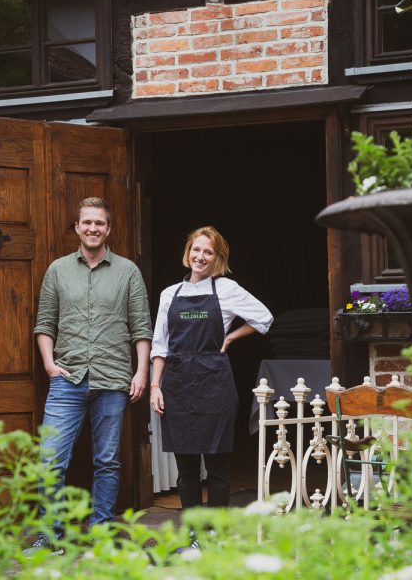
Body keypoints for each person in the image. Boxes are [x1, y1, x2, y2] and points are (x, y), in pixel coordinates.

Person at [28, 197, 152, 554]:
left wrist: (141, 372)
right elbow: (44, 323)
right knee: (51, 459)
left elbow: (141, 327)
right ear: (78, 227)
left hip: (113, 379)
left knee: (107, 461)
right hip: (66, 379)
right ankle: (50, 536)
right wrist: (50, 365)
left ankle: (100, 532)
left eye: (100, 223)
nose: (93, 228)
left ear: (108, 229)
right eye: (87, 223)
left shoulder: (128, 271)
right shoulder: (57, 270)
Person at [150, 226, 273, 519]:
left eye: (208, 252)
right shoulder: (170, 294)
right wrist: (155, 385)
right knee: (186, 468)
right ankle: (193, 531)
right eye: (196, 249)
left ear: (217, 258)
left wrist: (232, 337)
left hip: (213, 382)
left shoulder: (227, 289)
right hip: (177, 383)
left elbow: (264, 318)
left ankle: (216, 532)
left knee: (217, 465)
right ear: (188, 252)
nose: (200, 257)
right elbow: (160, 345)